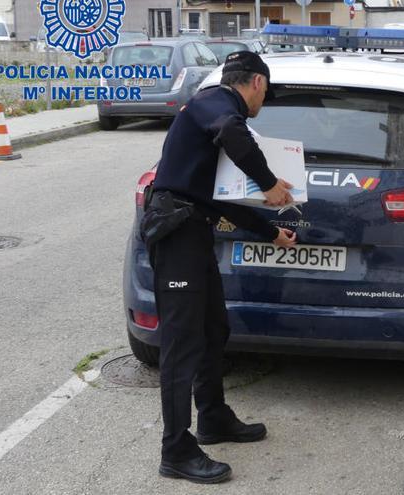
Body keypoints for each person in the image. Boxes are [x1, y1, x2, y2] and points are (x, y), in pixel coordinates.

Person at [141, 51, 297, 484]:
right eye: (265, 93)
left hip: (194, 231)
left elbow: (222, 198)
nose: (262, 102)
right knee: (182, 343)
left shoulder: (219, 121)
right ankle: (175, 450)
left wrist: (271, 233)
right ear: (257, 83)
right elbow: (234, 133)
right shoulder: (218, 102)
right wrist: (268, 182)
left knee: (213, 329)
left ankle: (213, 417)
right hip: (176, 236)